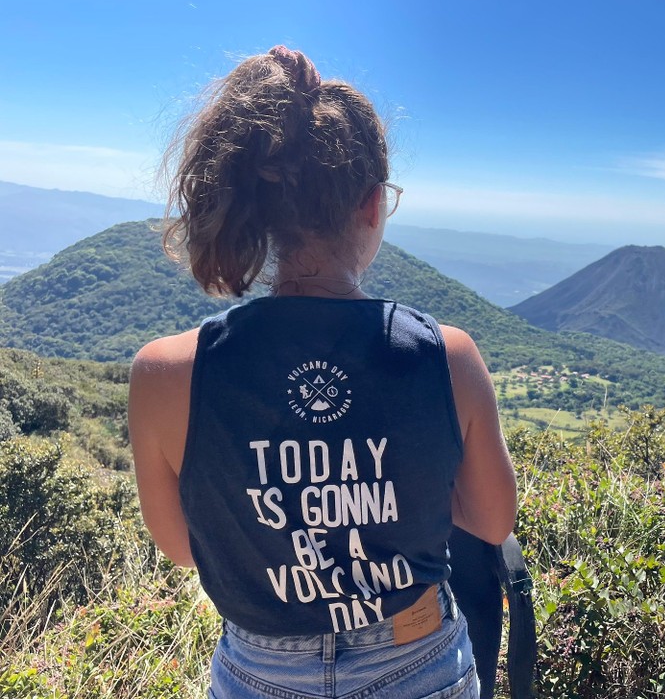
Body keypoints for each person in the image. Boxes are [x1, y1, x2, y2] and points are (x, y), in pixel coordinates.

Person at [128, 45, 517, 699]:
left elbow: (185, 546)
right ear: (372, 204)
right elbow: (492, 520)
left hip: (258, 673)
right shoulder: (447, 356)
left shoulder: (165, 375)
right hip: (417, 659)